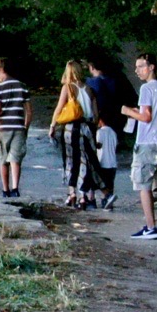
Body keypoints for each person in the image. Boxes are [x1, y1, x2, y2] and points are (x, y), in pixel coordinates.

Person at [123, 52, 157, 239]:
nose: (137, 71)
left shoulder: (146, 89)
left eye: (141, 66)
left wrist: (128, 111)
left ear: (151, 67)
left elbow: (146, 117)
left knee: (143, 184)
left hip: (147, 142)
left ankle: (150, 227)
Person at [50, 60, 96, 209]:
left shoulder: (68, 88)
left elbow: (59, 109)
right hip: (87, 127)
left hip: (71, 127)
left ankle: (72, 193)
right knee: (85, 161)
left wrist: (52, 125)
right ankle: (84, 196)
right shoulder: (89, 89)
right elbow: (95, 114)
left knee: (70, 159)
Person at [0, 57, 31, 199]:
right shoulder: (22, 86)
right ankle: (15, 188)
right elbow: (29, 111)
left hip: (3, 128)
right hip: (19, 127)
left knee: (3, 159)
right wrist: (26, 127)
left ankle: (5, 189)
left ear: (1, 69)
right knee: (15, 159)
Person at [93, 115, 119, 210]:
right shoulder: (113, 132)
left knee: (100, 183)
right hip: (113, 162)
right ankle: (109, 204)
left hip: (103, 162)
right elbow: (115, 146)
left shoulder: (100, 132)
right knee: (110, 184)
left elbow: (98, 145)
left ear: (101, 121)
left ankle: (107, 198)